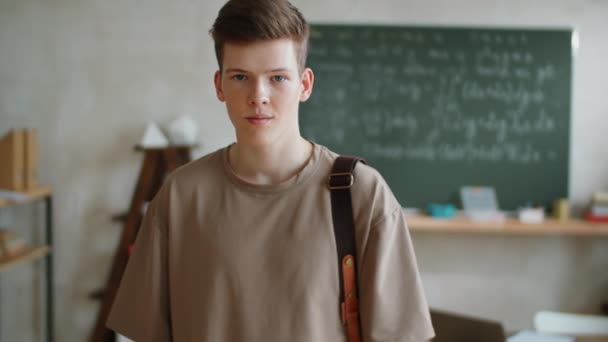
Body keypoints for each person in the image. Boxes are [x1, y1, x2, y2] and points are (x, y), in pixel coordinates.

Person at [107, 0, 434, 341]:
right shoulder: (180, 196)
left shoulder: (361, 193)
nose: (258, 95)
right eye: (240, 77)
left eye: (277, 77)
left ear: (305, 85)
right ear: (219, 85)